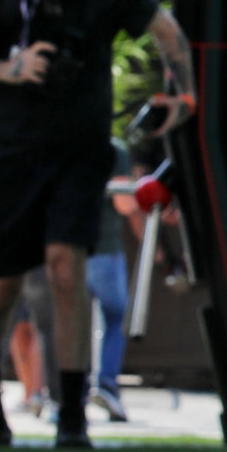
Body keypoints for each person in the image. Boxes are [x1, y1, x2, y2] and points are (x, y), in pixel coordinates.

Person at [0, 0, 195, 450]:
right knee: (2, 285)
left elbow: (167, 33)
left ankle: (72, 412)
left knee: (67, 266)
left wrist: (185, 89)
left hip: (80, 151)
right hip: (10, 153)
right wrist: (7, 68)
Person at [86, 136, 134, 423]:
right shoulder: (114, 150)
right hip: (105, 250)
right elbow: (124, 203)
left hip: (68, 249)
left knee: (71, 321)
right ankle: (106, 383)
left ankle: (67, 393)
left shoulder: (65, 142)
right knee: (116, 317)